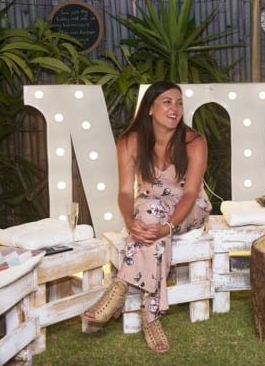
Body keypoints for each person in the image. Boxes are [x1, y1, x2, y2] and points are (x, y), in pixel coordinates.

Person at [83, 81, 212, 353]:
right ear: (150, 108)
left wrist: (169, 227)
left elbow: (189, 194)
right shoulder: (130, 142)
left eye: (179, 102)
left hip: (188, 208)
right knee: (150, 214)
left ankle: (119, 286)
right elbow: (124, 192)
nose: (175, 108)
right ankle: (151, 318)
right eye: (167, 101)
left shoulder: (194, 142)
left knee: (153, 219)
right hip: (150, 207)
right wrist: (130, 223)